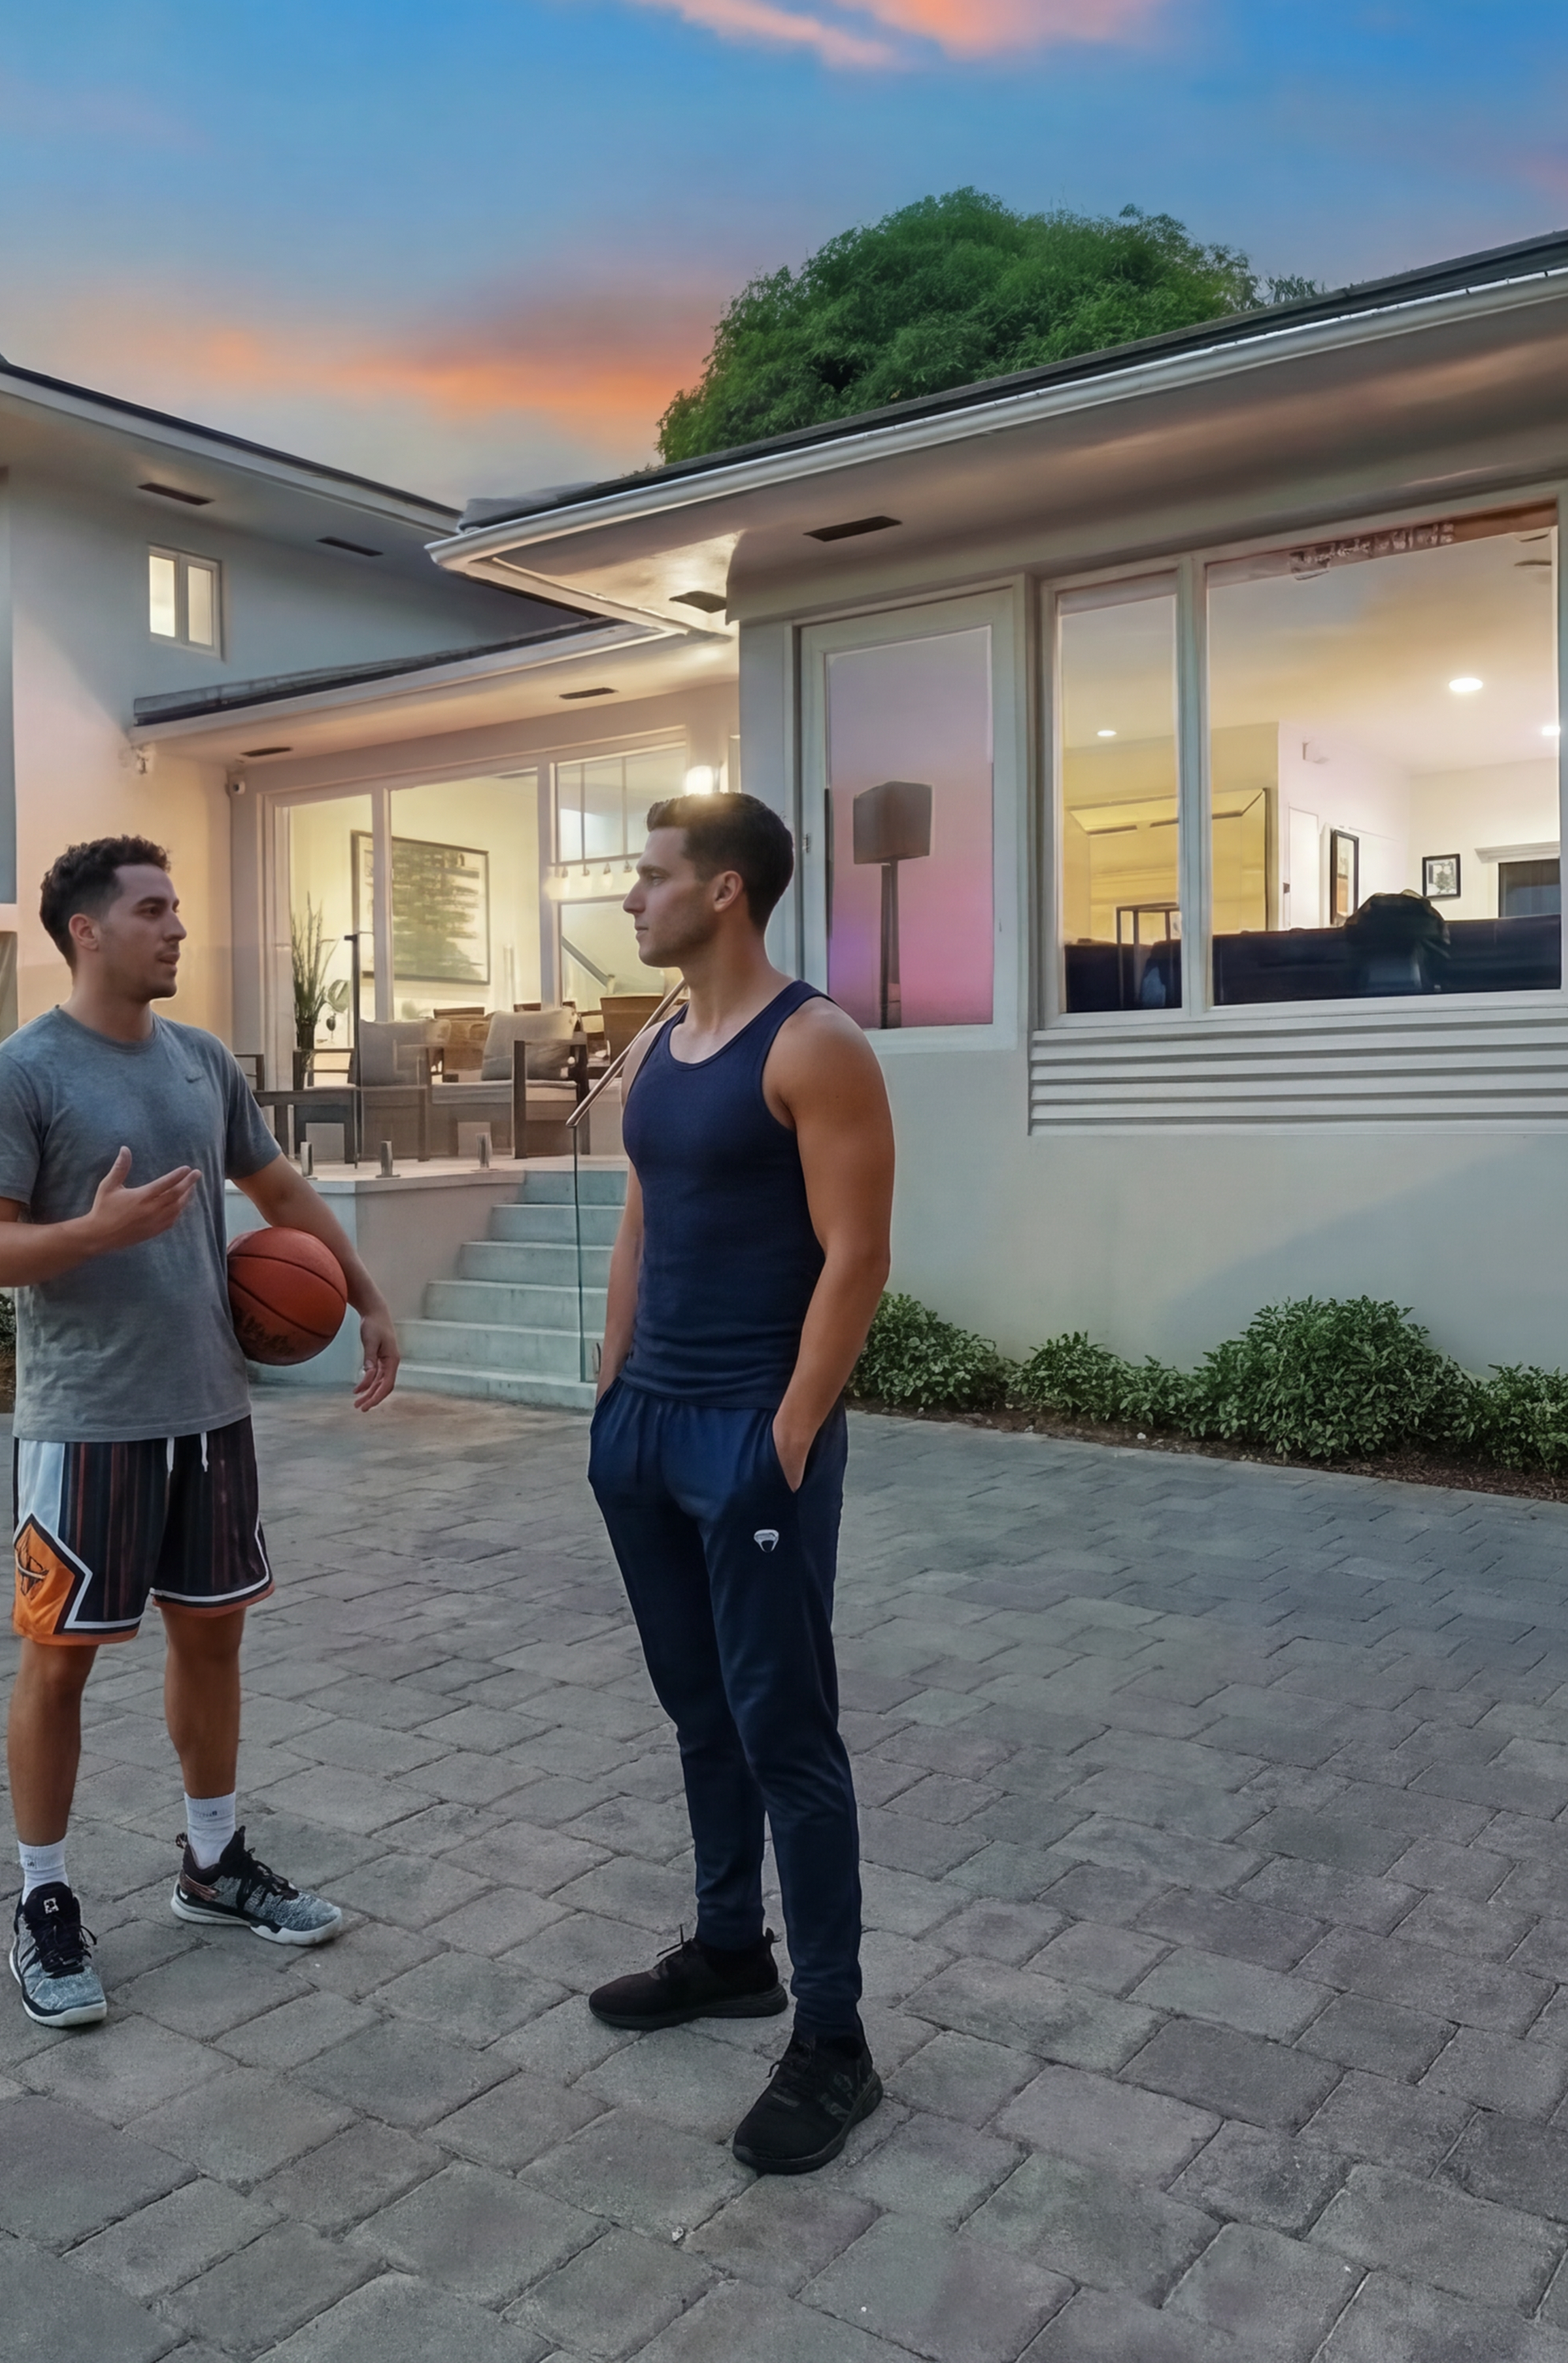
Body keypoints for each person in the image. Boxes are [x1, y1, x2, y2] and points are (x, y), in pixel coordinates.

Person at [0, 835, 403, 2029]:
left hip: (210, 1412)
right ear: (87, 930)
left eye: (178, 909)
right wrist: (91, 1234)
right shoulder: (22, 1076)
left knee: (212, 1643)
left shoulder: (203, 1064)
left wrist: (361, 1289)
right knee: (61, 1663)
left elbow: (282, 1193)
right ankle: (44, 1900)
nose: (178, 929)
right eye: (154, 910)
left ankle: (214, 1863)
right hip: (85, 1423)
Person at [578, 790, 899, 2174]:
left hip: (749, 1437)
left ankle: (834, 2038)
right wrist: (610, 1387)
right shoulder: (660, 1041)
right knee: (697, 1710)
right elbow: (645, 1211)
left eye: (650, 879)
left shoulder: (815, 1044)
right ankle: (730, 1951)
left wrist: (789, 1431)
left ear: (722, 893)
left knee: (787, 1733)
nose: (631, 900)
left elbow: (858, 1255)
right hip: (647, 1430)